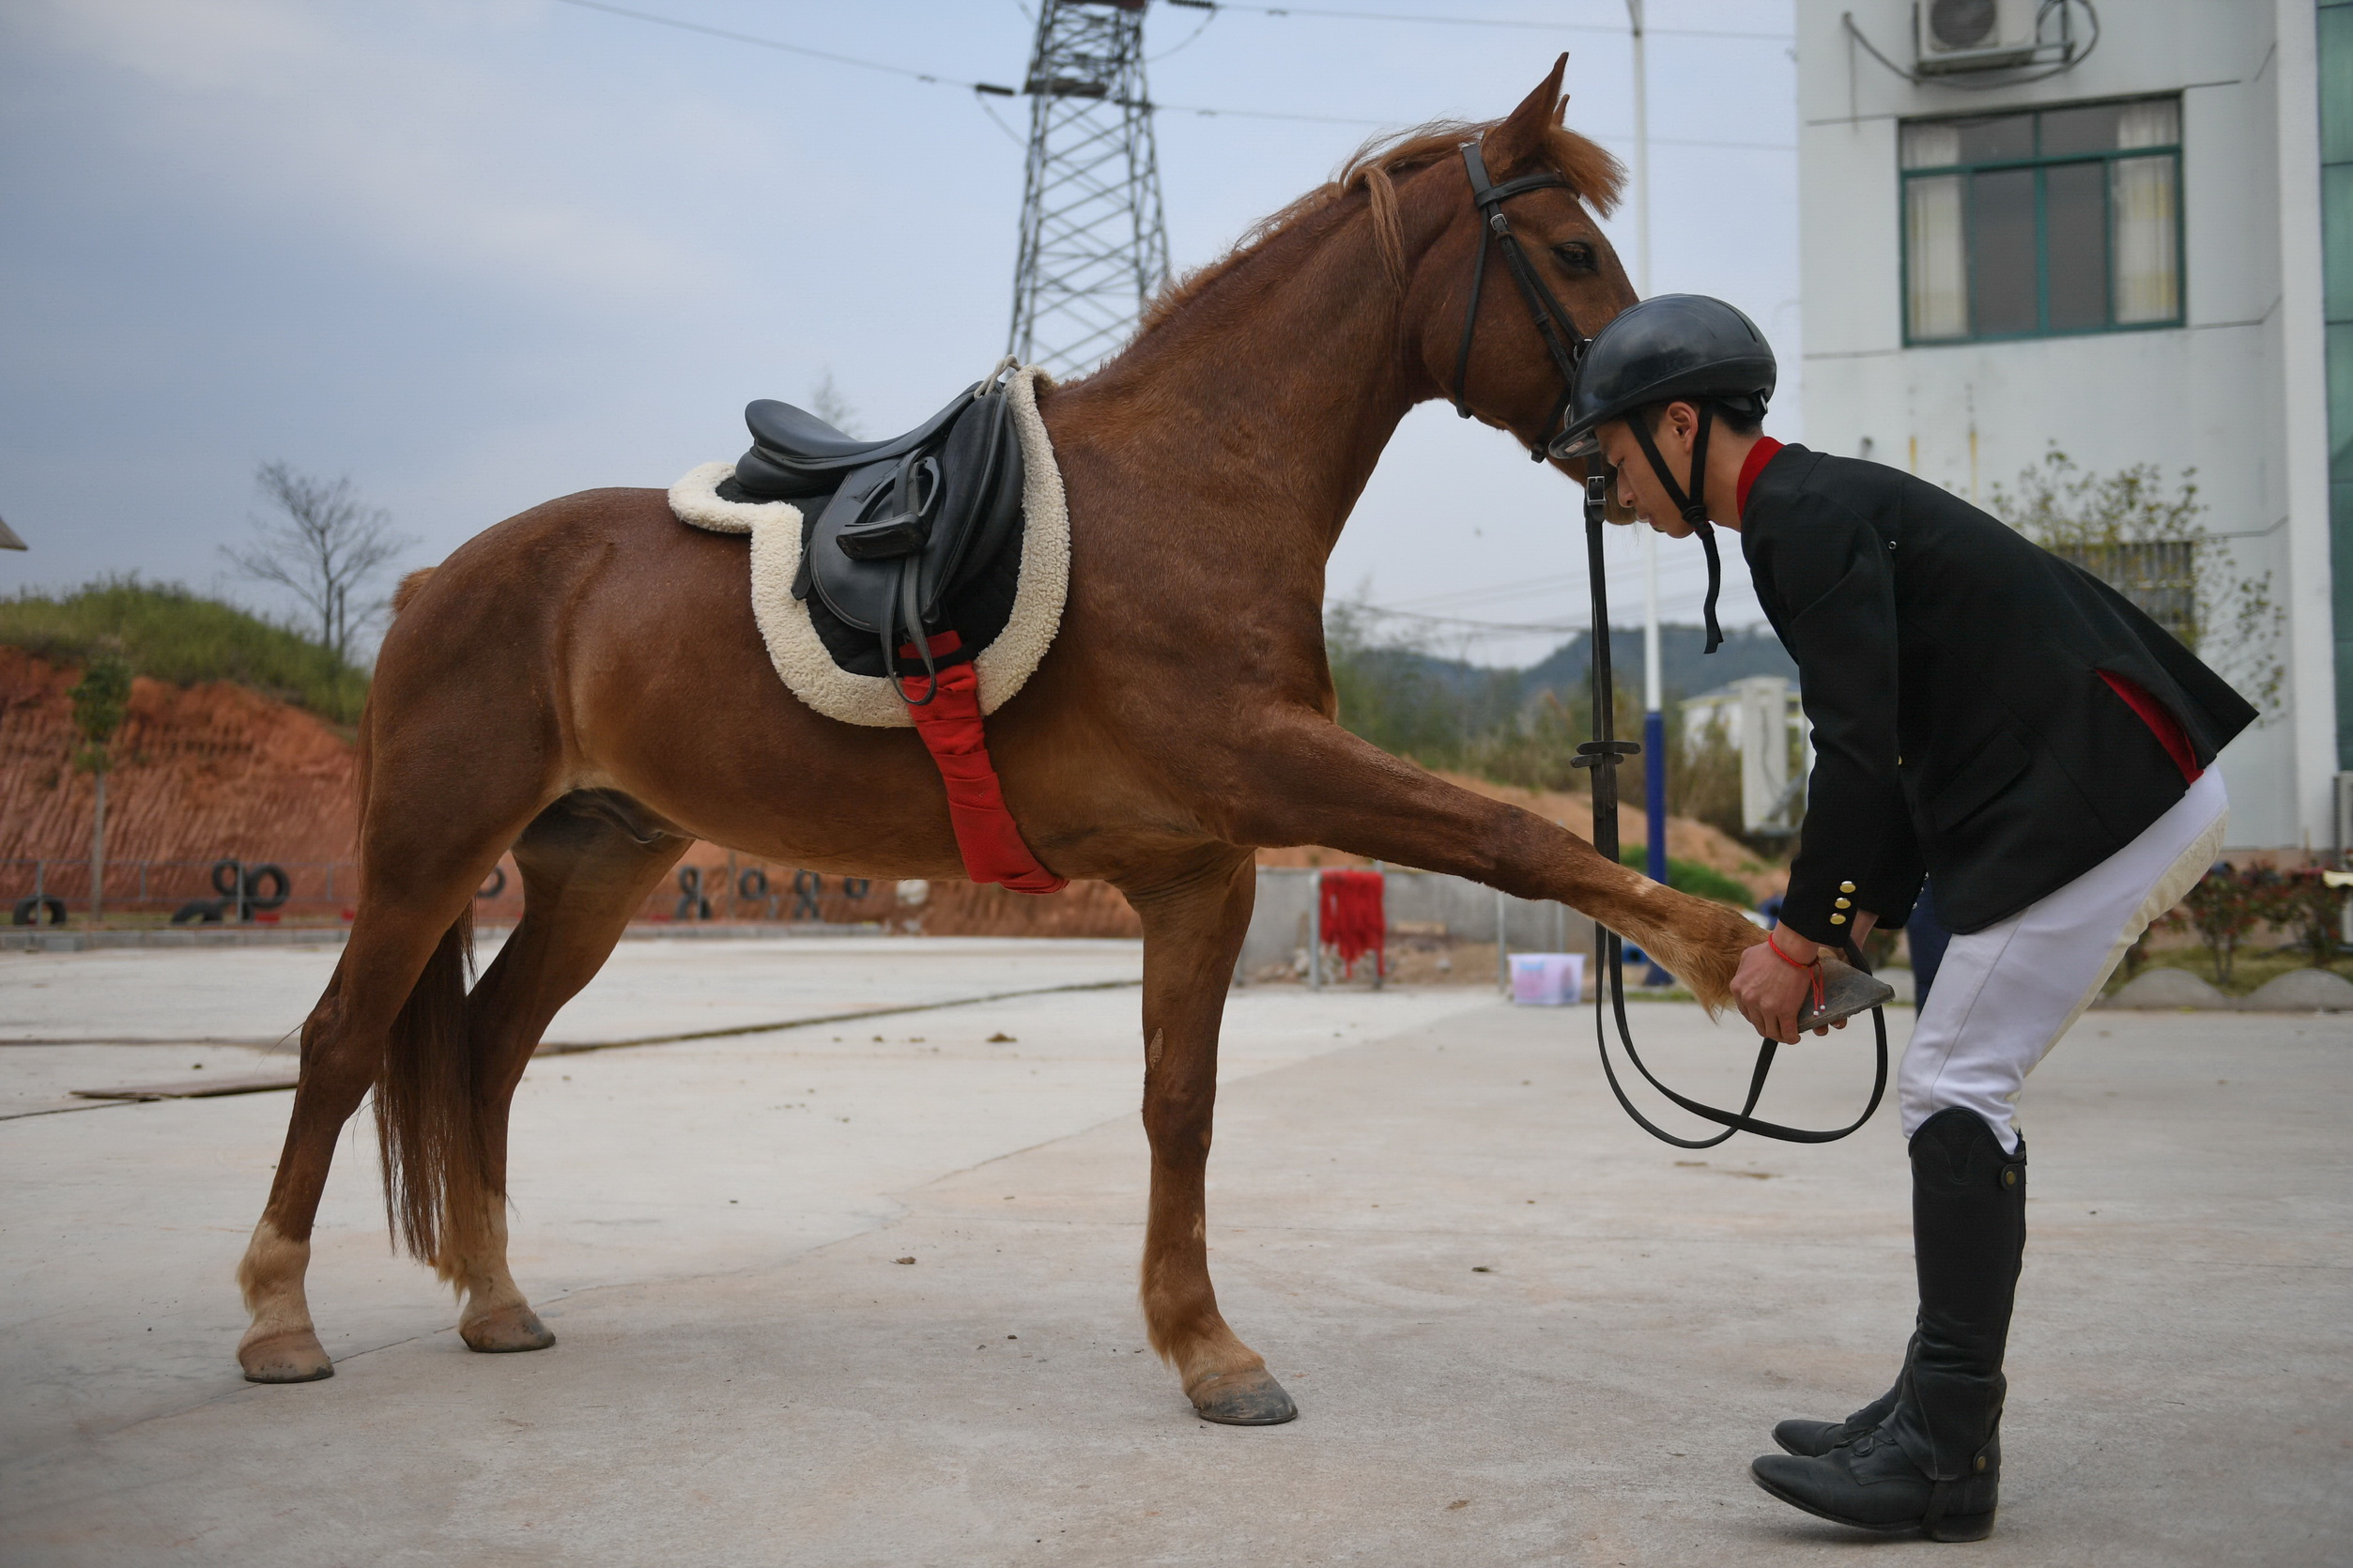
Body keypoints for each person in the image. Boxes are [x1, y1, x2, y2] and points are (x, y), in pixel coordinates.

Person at [1555, 295, 2255, 1543]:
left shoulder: (1801, 516)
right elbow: (1896, 736)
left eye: (1615, 456)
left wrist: (1795, 941)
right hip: (2101, 787)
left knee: (1953, 1083)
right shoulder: (1805, 507)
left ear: (1680, 423)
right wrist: (1849, 928)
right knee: (1952, 1079)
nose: (1616, 490)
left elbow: (1856, 751)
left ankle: (1941, 1456)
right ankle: (1930, 1408)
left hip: (2107, 797)